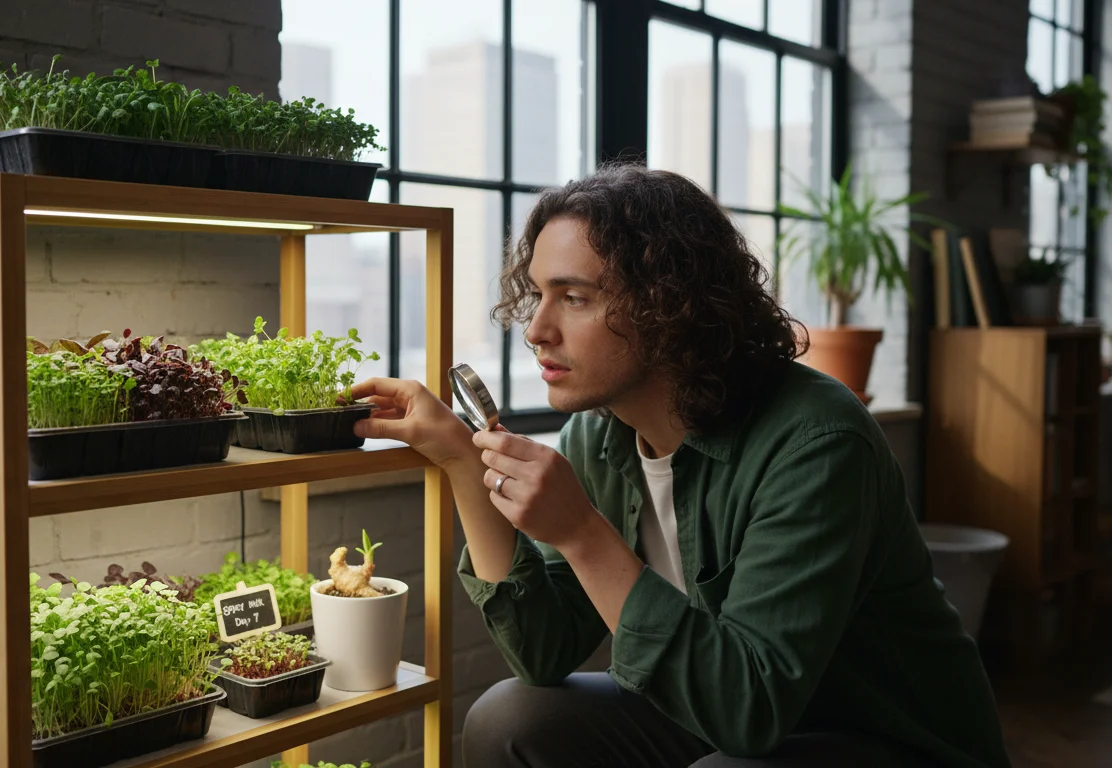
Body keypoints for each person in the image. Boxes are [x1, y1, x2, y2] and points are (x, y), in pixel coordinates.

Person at [348, 164, 1011, 768]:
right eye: (539, 295)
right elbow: (541, 654)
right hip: (735, 717)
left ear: (668, 307)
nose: (536, 329)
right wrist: (461, 462)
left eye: (573, 297)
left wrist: (581, 532)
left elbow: (749, 711)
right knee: (511, 718)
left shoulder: (817, 440)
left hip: (887, 739)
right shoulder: (597, 435)